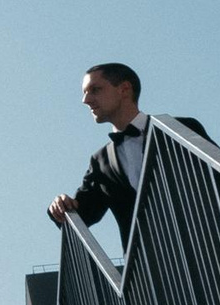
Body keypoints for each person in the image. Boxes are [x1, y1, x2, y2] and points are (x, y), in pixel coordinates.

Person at [45, 62, 208, 245]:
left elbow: (219, 181)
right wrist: (60, 207)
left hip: (212, 249)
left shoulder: (181, 129)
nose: (86, 100)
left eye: (95, 90)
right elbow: (83, 215)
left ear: (124, 89)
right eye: (85, 92)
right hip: (150, 266)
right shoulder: (101, 162)